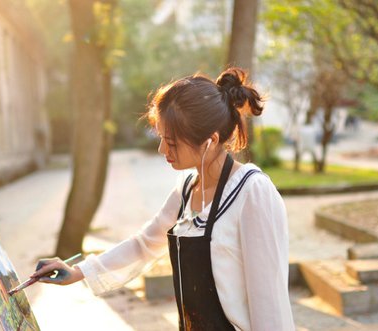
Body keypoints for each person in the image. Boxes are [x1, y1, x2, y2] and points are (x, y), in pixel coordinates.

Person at [31, 67, 295, 331]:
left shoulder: (252, 193)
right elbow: (143, 244)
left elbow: (269, 301)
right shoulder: (187, 189)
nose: (162, 150)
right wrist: (78, 271)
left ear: (209, 141)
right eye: (161, 139)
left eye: (172, 142)